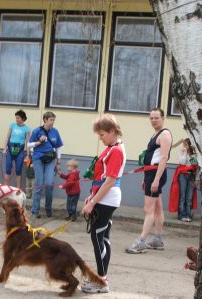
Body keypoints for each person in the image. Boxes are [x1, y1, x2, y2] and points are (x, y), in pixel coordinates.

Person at [81, 114, 126, 294]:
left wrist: (92, 202)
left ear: (113, 131)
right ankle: (102, 278)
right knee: (103, 238)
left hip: (107, 199)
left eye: (102, 135)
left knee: (97, 238)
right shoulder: (112, 147)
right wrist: (91, 196)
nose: (100, 138)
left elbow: (109, 181)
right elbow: (101, 177)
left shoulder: (116, 150)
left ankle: (101, 281)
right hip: (105, 197)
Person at [125, 107, 172, 254]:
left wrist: (156, 180)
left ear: (163, 118)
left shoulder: (164, 135)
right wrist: (147, 179)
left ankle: (141, 242)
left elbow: (164, 158)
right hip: (150, 173)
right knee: (157, 207)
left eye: (156, 118)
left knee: (148, 209)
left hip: (156, 174)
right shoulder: (155, 134)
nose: (153, 120)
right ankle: (157, 240)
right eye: (151, 118)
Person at [28, 111, 63, 218]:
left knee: (49, 184)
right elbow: (28, 145)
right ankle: (35, 211)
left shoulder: (55, 132)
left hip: (51, 159)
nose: (52, 122)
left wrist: (58, 162)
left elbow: (58, 147)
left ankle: (48, 209)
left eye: (53, 120)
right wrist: (38, 142)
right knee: (38, 184)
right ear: (45, 120)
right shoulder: (37, 131)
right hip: (38, 158)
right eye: (51, 120)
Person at [169, 138, 198, 222]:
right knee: (182, 195)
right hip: (182, 175)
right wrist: (185, 152)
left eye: (186, 145)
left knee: (189, 196)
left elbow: (195, 165)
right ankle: (181, 215)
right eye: (183, 145)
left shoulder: (193, 155)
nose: (184, 146)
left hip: (191, 175)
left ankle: (188, 215)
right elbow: (182, 162)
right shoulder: (181, 152)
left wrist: (196, 179)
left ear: (190, 145)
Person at [2, 110, 30, 189]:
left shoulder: (26, 129)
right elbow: (7, 137)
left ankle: (18, 188)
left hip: (20, 151)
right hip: (10, 149)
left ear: (23, 118)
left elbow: (28, 142)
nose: (16, 119)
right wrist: (4, 149)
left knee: (18, 170)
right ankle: (5, 187)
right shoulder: (12, 125)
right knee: (8, 168)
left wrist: (28, 155)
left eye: (18, 118)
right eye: (16, 118)